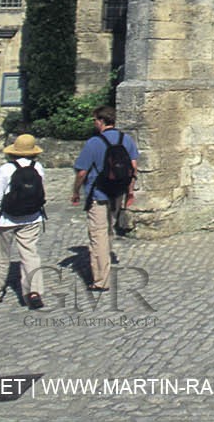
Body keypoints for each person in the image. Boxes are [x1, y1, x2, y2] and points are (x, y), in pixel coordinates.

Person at [71, 106, 139, 291]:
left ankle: (101, 279)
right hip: (117, 192)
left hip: (98, 193)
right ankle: (105, 260)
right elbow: (133, 168)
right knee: (109, 230)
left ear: (101, 121)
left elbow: (82, 172)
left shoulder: (93, 142)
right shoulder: (126, 139)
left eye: (95, 120)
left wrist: (76, 191)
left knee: (98, 234)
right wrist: (130, 193)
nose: (94, 123)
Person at [0, 134, 47, 309]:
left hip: (7, 218)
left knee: (0, 255)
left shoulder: (6, 169)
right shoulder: (38, 167)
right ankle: (34, 291)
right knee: (30, 254)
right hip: (32, 216)